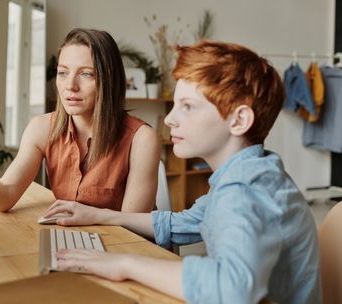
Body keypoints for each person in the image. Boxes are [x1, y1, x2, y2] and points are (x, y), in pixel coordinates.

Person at [45, 41, 321, 303]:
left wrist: (124, 263)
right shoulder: (251, 172)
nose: (169, 118)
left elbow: (232, 289)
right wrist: (99, 215)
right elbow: (182, 224)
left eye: (187, 107)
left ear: (239, 120)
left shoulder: (245, 190)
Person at [0, 28, 160, 213]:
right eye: (63, 72)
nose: (70, 86)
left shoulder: (142, 139)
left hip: (123, 254)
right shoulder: (42, 128)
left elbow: (133, 229)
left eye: (86, 74)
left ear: (109, 80)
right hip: (73, 245)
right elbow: (6, 193)